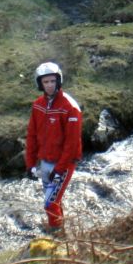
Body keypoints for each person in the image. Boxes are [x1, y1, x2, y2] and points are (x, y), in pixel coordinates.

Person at [24, 61, 83, 230]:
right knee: (54, 202)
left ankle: (56, 236)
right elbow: (32, 136)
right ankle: (62, 231)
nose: (49, 85)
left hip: (64, 164)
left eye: (52, 81)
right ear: (40, 84)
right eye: (45, 82)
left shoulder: (70, 107)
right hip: (45, 162)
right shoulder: (37, 105)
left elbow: (72, 143)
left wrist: (60, 169)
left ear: (59, 81)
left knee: (49, 204)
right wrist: (30, 164)